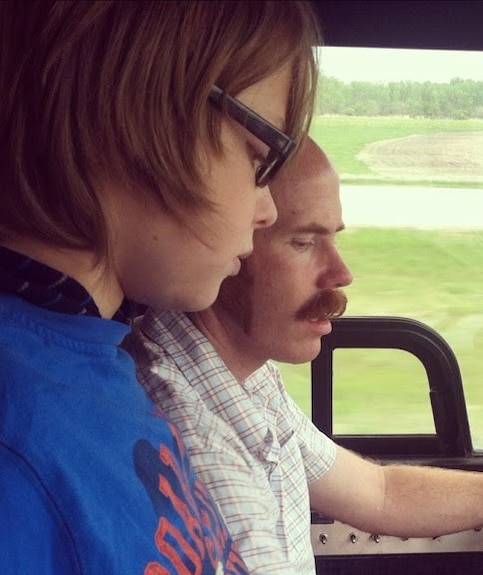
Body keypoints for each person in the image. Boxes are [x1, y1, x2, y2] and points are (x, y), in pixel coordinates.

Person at [127, 138, 483, 574]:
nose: (341, 274)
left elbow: (381, 494)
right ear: (227, 242)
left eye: (333, 239)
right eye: (303, 243)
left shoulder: (241, 378)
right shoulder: (193, 444)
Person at [0, 1, 320, 572]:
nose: (267, 209)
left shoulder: (95, 359)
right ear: (134, 114)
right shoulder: (19, 458)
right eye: (258, 159)